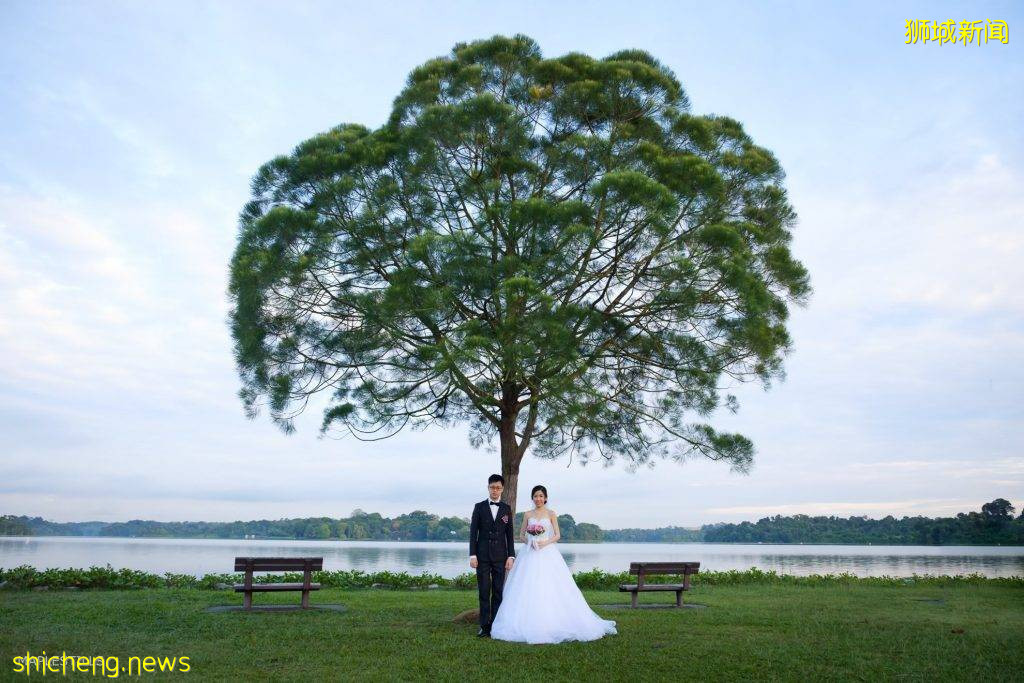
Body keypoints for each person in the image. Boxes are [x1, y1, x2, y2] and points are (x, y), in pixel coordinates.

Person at [489, 484, 618, 644]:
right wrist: (530, 540)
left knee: (550, 585)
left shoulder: (551, 514)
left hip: (547, 552)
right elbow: (521, 535)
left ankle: (552, 620)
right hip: (529, 553)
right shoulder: (528, 514)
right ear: (532, 498)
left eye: (541, 496)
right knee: (526, 585)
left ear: (546, 498)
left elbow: (557, 535)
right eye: (536, 496)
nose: (538, 499)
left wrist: (544, 543)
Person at [469, 474, 515, 637]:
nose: (495, 490)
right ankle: (484, 626)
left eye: (498, 487)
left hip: (501, 557)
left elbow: (509, 534)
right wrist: (472, 555)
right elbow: (473, 532)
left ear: (502, 489)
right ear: (488, 488)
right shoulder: (479, 507)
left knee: (497, 591)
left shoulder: (506, 509)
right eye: (492, 487)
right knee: (483, 591)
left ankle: (496, 625)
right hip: (481, 557)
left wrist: (511, 556)